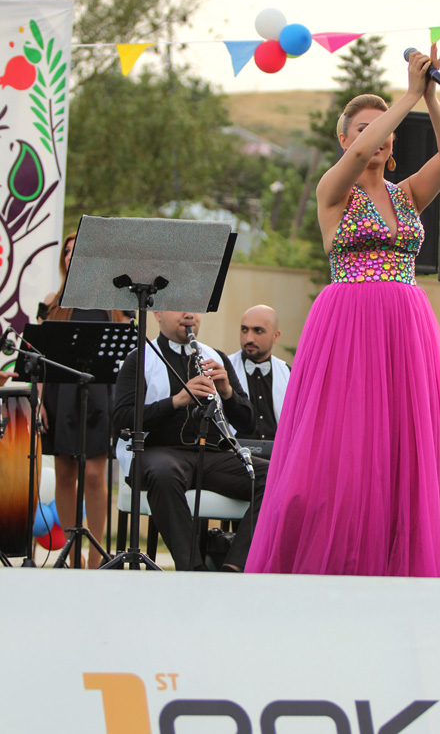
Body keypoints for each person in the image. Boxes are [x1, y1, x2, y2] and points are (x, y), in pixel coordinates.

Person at [245, 45, 440, 577]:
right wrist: (406, 95)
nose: (378, 136)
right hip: (349, 325)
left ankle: (397, 562)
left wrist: (430, 99)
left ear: (392, 146)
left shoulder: (406, 194)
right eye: (365, 129)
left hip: (406, 324)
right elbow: (357, 156)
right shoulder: (334, 190)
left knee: (401, 449)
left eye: (385, 131)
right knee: (343, 447)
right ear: (346, 140)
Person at [113, 310, 268, 571]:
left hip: (212, 456)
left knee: (276, 476)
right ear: (158, 314)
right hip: (159, 452)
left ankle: (234, 567)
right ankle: (193, 570)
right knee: (164, 473)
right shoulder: (140, 358)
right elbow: (121, 420)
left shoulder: (214, 357)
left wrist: (227, 392)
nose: (188, 314)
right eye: (179, 307)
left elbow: (249, 424)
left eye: (195, 309)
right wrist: (176, 401)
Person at [38, 232, 130, 568]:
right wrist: (38, 403)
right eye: (66, 252)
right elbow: (40, 360)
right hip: (59, 395)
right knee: (64, 472)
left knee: (93, 474)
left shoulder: (114, 306)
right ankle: (71, 551)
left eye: (77, 252)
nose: (70, 257)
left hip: (100, 394)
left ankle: (95, 552)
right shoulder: (53, 303)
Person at [228, 304, 291, 442]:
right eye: (244, 330)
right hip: (233, 456)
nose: (249, 338)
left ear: (276, 336)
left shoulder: (288, 373)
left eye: (258, 331)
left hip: (276, 458)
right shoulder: (224, 368)